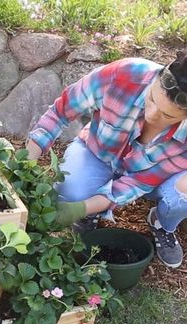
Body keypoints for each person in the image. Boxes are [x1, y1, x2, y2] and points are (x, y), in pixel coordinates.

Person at [26, 51, 187, 268]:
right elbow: (60, 112)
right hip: (98, 153)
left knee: (183, 192)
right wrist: (25, 163)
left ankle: (161, 223)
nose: (151, 114)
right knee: (70, 191)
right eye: (151, 99)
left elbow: (136, 183)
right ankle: (89, 208)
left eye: (167, 116)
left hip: (150, 178)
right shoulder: (124, 75)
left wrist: (79, 209)